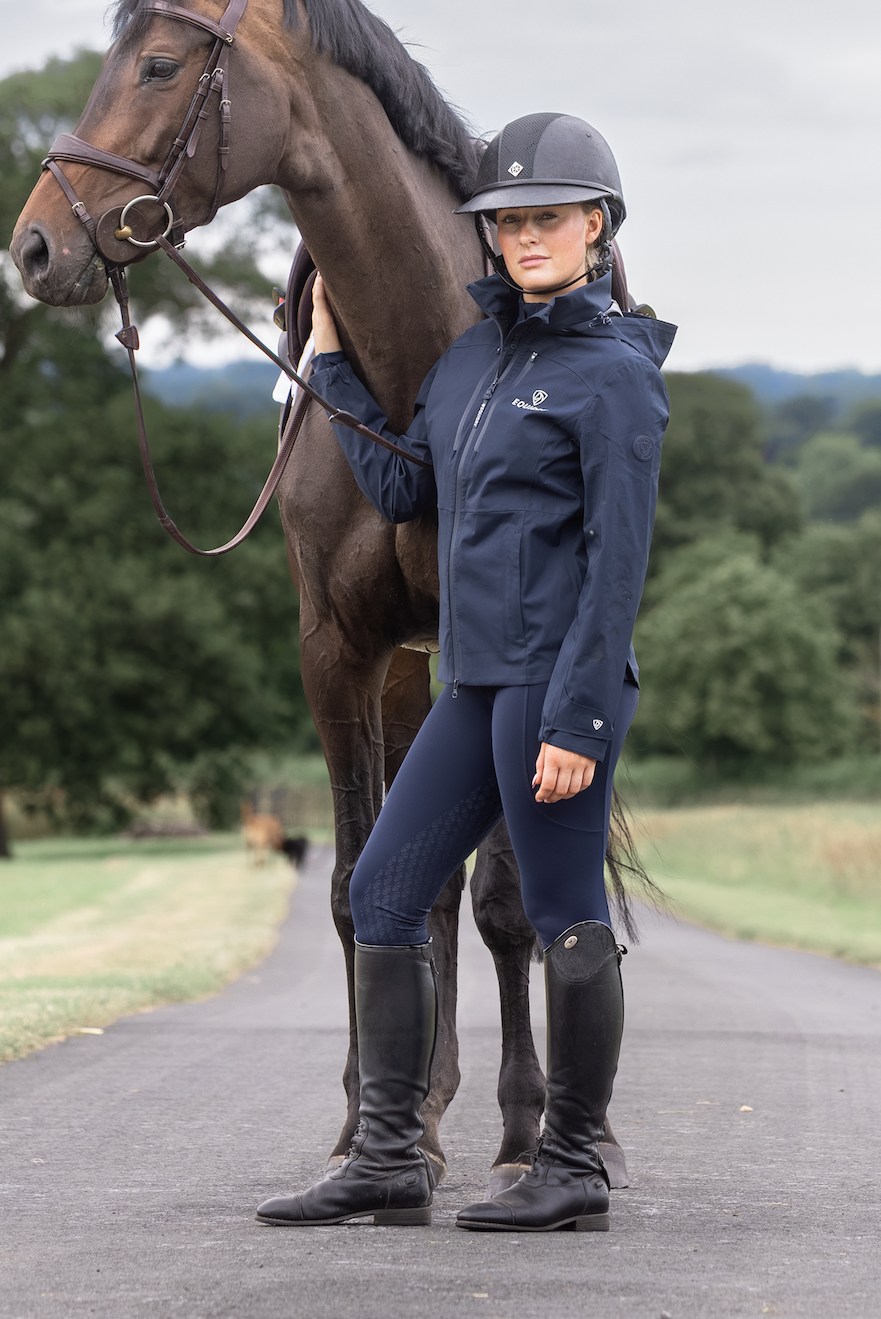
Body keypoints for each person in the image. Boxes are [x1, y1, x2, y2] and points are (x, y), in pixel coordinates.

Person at [255, 113, 675, 1233]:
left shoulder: (615, 373)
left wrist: (580, 723)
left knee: (562, 911)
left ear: (594, 226)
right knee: (385, 888)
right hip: (472, 684)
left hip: (553, 688)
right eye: (506, 221)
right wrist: (332, 368)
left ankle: (572, 1163)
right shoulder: (473, 361)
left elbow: (615, 566)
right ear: (484, 237)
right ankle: (389, 1155)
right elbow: (403, 498)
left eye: (547, 217)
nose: (525, 235)